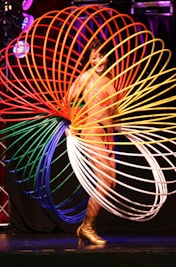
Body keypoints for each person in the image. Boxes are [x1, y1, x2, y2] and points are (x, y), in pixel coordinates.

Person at [67, 38, 117, 245]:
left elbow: (112, 113)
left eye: (102, 56)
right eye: (94, 56)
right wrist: (72, 126)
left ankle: (84, 228)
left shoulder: (112, 78)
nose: (99, 60)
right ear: (89, 59)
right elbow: (67, 101)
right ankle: (87, 227)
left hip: (109, 135)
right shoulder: (86, 77)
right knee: (104, 181)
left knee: (111, 182)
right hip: (92, 130)